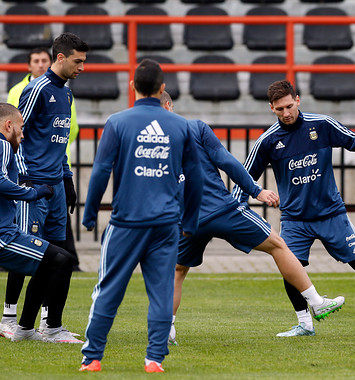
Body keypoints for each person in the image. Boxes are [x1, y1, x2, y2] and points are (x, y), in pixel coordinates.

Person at [233, 79, 355, 337]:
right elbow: (245, 175)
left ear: (298, 100)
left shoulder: (321, 125)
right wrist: (239, 201)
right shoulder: (268, 141)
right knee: (290, 268)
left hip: (331, 213)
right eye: (280, 109)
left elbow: (350, 138)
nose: (286, 113)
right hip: (295, 219)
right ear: (271, 108)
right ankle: (304, 324)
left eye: (289, 106)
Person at [157, 92, 345, 345]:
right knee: (278, 246)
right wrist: (255, 190)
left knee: (178, 271)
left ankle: (166, 331)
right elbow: (227, 162)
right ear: (169, 105)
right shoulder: (195, 128)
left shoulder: (146, 144)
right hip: (221, 209)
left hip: (187, 219)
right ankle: (316, 301)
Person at [80, 59, 203, 373]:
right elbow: (196, 176)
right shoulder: (181, 126)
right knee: (161, 292)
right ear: (163, 89)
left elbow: (101, 171)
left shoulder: (118, 121)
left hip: (126, 222)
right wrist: (190, 220)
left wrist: (90, 212)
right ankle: (154, 359)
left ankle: (93, 358)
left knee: (108, 289)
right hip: (166, 224)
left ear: (131, 86)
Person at [0, 33, 87, 341]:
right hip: (34, 184)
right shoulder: (36, 90)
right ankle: (9, 317)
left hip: (56, 185)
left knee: (57, 254)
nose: (82, 68)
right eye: (78, 61)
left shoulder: (67, 95)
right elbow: (18, 136)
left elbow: (59, 144)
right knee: (29, 252)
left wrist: (68, 180)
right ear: (60, 58)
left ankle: (50, 324)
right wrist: (24, 179)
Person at [0, 103, 77, 343]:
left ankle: (25, 329)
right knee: (62, 261)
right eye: (21, 129)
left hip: (8, 231)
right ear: (8, 125)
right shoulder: (3, 144)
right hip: (3, 237)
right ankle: (50, 328)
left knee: (52, 261)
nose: (23, 135)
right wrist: (33, 193)